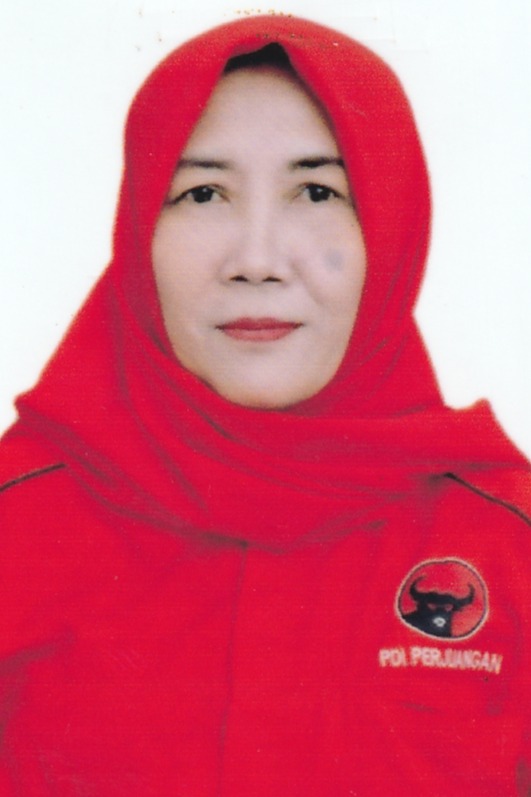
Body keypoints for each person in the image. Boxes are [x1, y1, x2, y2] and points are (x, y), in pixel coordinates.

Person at [0, 14, 529, 796]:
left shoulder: (506, 545)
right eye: (202, 192)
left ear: (392, 227)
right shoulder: (17, 527)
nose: (255, 260)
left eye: (316, 191)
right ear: (139, 225)